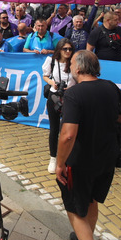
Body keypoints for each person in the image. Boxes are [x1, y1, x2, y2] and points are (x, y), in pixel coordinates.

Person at [55, 51, 121, 240]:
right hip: (107, 156)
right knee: (91, 200)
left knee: (74, 207)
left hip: (80, 161)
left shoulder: (74, 94)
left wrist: (59, 164)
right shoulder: (112, 87)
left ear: (77, 68)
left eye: (71, 63)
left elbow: (68, 135)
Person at [43, 38, 76, 174]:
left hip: (71, 98)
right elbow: (45, 75)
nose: (68, 52)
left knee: (68, 130)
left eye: (70, 49)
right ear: (60, 50)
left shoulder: (75, 62)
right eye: (65, 49)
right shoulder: (51, 61)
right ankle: (53, 158)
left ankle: (68, 158)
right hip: (54, 96)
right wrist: (52, 83)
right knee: (54, 129)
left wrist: (72, 89)